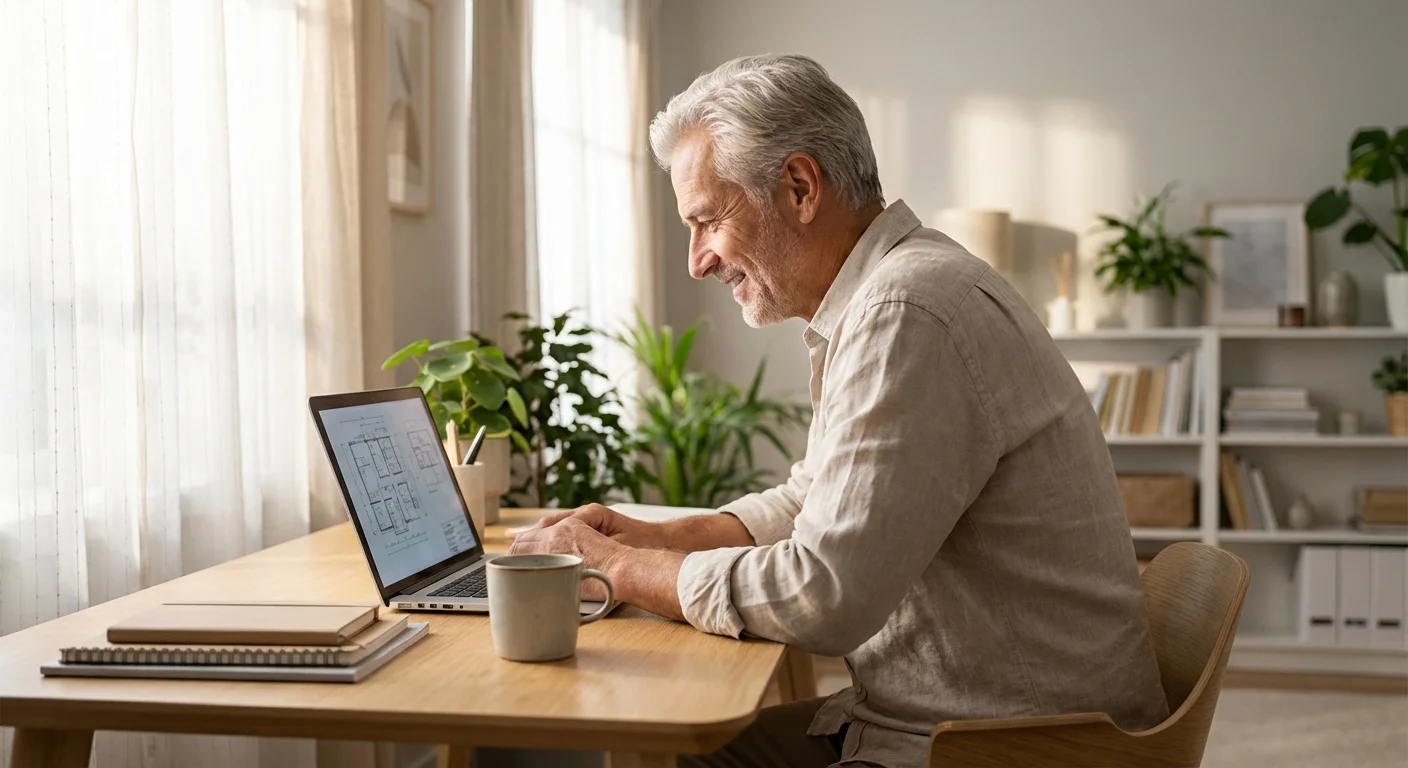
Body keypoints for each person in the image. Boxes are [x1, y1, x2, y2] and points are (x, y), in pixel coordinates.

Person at [509, 53, 1169, 767]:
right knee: (678, 742)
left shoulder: (908, 310)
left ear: (798, 186)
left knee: (659, 739)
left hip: (1016, 747)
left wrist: (616, 567)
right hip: (963, 722)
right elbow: (815, 499)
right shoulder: (889, 294)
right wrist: (650, 540)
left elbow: (823, 594)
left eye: (707, 221)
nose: (697, 261)